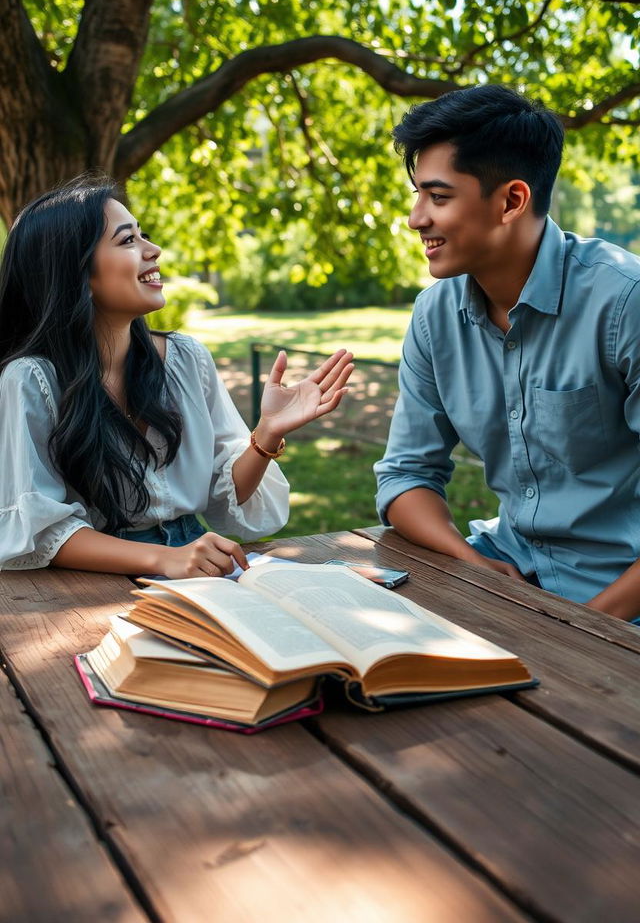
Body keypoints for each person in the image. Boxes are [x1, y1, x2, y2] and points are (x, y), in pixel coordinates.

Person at [375, 84, 640, 622]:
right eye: (418, 194)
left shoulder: (624, 303)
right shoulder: (434, 314)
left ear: (512, 201)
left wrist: (581, 629)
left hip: (619, 593)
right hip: (509, 565)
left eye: (438, 197)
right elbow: (405, 476)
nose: (415, 218)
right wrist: (471, 561)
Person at [0, 176, 353, 578]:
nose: (154, 250)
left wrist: (267, 434)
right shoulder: (32, 380)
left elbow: (224, 502)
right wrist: (164, 559)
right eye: (127, 240)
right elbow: (40, 528)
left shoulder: (185, 358)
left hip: (197, 564)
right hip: (93, 581)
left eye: (143, 235)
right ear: (75, 270)